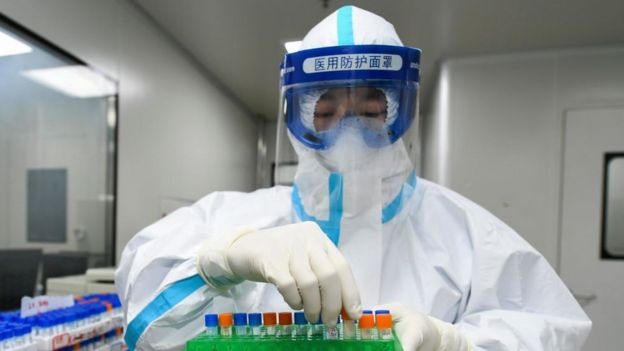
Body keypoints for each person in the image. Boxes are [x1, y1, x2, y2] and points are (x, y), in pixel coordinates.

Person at [116, 6, 591, 351]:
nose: (350, 129)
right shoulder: (235, 217)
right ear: (296, 117)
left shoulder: (466, 234)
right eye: (326, 110)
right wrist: (220, 260)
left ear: (401, 111)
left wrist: (456, 343)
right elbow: (144, 322)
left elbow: (552, 329)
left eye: (370, 109)